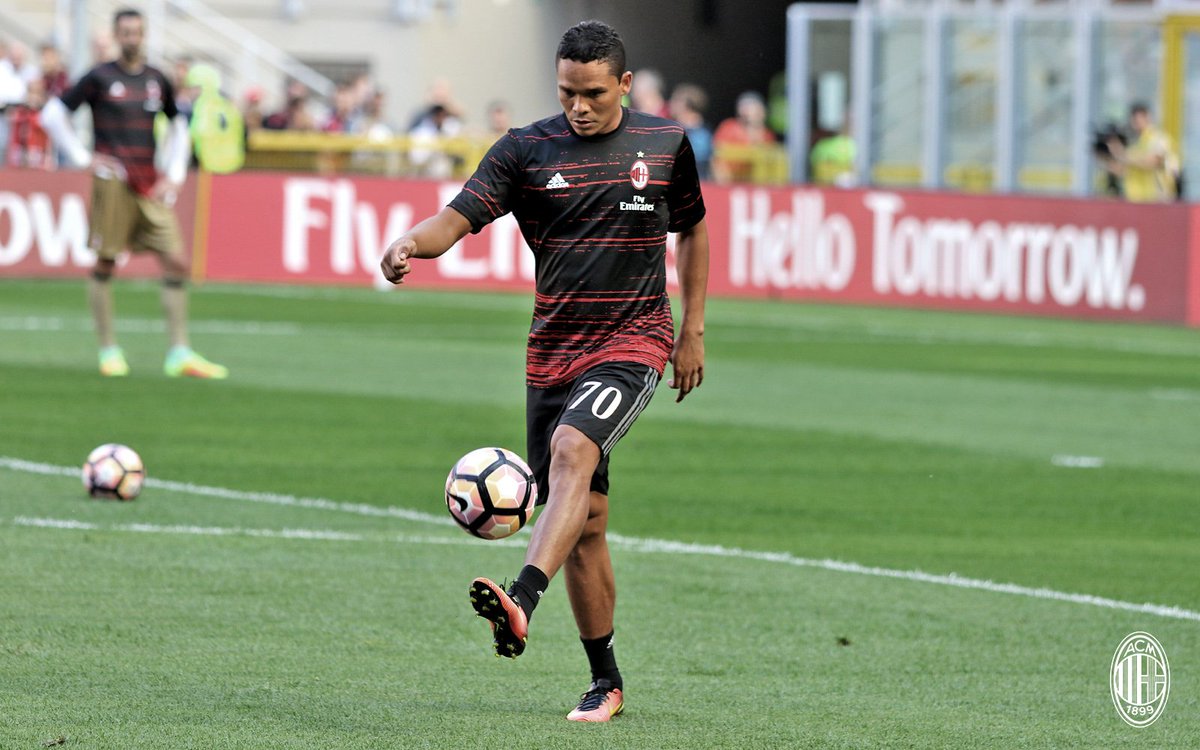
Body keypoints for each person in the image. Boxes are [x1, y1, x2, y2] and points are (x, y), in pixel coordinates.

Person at [380, 20, 708, 723]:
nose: (579, 106)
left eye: (593, 93)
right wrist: (412, 242)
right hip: (553, 352)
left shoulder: (665, 146)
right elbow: (458, 216)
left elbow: (694, 228)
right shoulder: (526, 149)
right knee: (585, 521)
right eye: (567, 93)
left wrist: (693, 331)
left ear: (623, 84)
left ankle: (521, 598)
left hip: (635, 338)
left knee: (571, 450)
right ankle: (606, 684)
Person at [39, 8, 228, 379]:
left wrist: (174, 173)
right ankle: (109, 350)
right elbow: (51, 115)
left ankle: (179, 353)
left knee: (176, 260)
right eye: (125, 32)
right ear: (116, 35)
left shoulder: (158, 79)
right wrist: (81, 157)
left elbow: (178, 125)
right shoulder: (99, 77)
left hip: (149, 184)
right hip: (113, 182)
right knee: (106, 262)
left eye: (136, 32)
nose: (131, 38)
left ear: (143, 36)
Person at [1105, 102, 1180, 203]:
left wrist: (1122, 155)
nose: (1135, 123)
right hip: (1136, 201)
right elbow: (1122, 171)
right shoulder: (1135, 143)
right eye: (1134, 119)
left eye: (1138, 119)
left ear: (1147, 118)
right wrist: (1109, 155)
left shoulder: (1159, 139)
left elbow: (1152, 162)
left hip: (1157, 200)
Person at [711, 90, 776, 183]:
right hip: (729, 182)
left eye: (751, 107)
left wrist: (755, 126)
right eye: (744, 107)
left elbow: (767, 159)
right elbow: (717, 157)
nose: (746, 111)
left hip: (754, 183)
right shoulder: (728, 127)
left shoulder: (767, 134)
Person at [668, 82, 713, 180]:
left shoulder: (702, 134)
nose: (670, 103)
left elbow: (698, 158)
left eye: (675, 100)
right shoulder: (673, 128)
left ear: (686, 105)